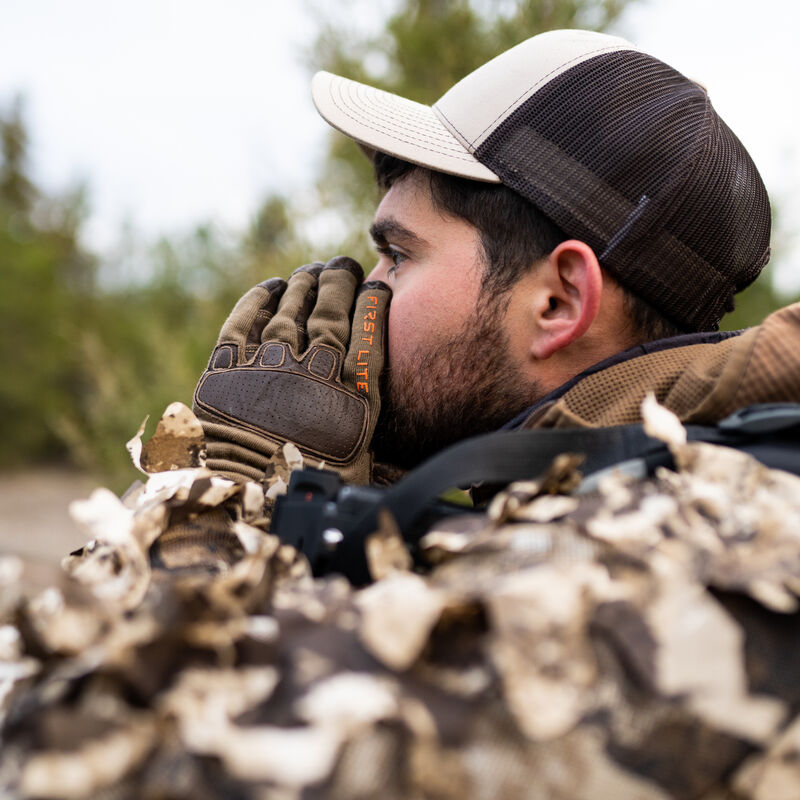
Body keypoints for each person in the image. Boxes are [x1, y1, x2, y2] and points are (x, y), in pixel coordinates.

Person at [194, 28, 800, 487]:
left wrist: (244, 491)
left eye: (399, 256)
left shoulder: (656, 532)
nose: (363, 288)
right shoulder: (633, 485)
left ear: (558, 302)